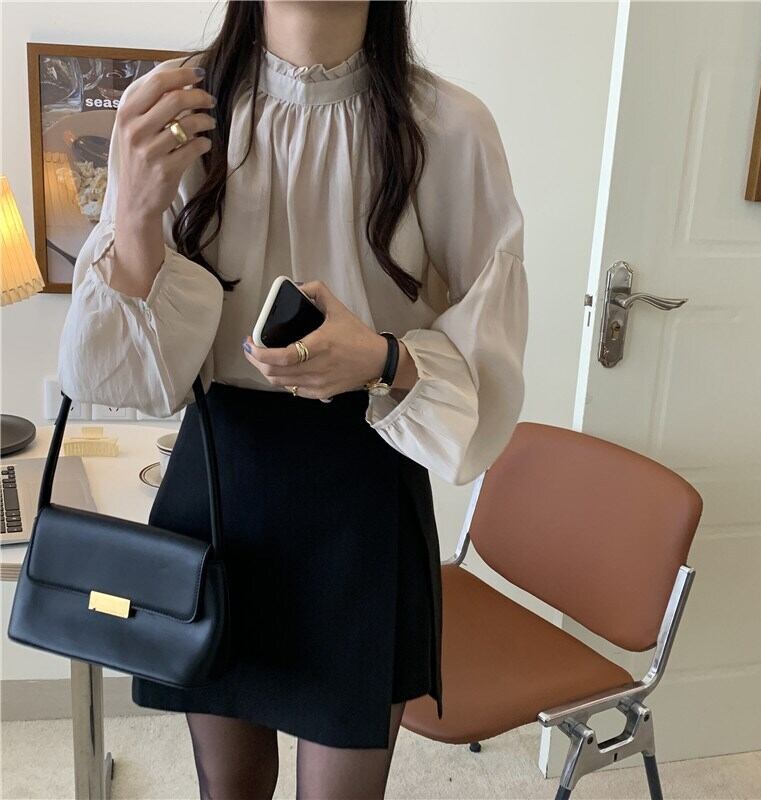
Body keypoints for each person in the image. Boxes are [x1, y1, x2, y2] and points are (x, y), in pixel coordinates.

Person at [57, 1, 529, 797]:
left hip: (363, 496)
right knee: (228, 789)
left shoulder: (448, 127)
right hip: (219, 486)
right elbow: (124, 378)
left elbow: (492, 360)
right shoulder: (175, 107)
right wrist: (133, 208)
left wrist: (382, 358)